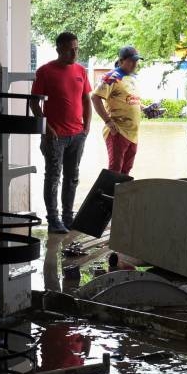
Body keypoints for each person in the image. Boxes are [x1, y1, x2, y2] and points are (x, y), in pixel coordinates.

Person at [30, 31, 92, 234]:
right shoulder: (45, 71)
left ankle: (68, 216)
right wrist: (46, 128)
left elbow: (86, 99)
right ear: (59, 49)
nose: (74, 53)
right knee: (53, 176)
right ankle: (53, 219)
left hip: (77, 134)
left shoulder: (81, 71)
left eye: (76, 49)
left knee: (72, 176)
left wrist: (87, 126)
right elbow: (34, 102)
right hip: (55, 136)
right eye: (69, 50)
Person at [91, 45, 143, 175]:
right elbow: (95, 97)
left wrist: (146, 108)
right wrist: (107, 121)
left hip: (133, 133)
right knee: (115, 170)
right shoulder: (112, 77)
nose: (134, 64)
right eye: (131, 61)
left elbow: (131, 100)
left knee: (126, 170)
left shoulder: (133, 78)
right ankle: (110, 195)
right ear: (121, 61)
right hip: (117, 131)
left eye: (136, 61)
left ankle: (121, 195)